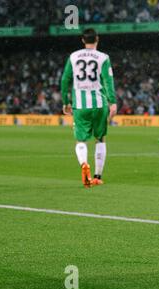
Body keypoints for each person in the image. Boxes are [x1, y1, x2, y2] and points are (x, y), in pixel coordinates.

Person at [61, 28, 117, 188]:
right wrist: (112, 102)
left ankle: (84, 164)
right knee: (100, 138)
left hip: (80, 104)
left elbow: (65, 79)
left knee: (81, 140)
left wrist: (65, 102)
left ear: (82, 40)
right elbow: (108, 81)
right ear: (97, 39)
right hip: (99, 104)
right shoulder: (103, 57)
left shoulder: (73, 56)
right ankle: (97, 176)